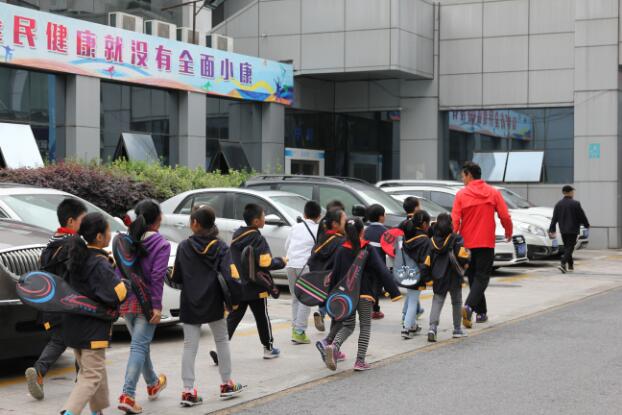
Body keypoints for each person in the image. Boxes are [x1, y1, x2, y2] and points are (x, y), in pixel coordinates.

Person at [170, 206, 245, 407]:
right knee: (221, 340)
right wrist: (235, 300)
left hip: (190, 302)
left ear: (195, 223)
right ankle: (227, 384)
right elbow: (231, 276)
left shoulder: (184, 246)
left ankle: (188, 391)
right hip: (214, 301)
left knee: (189, 345)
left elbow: (176, 277)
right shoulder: (220, 246)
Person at [60, 213, 128, 415]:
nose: (109, 234)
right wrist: (126, 284)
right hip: (92, 328)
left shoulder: (78, 258)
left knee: (93, 371)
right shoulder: (99, 263)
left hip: (74, 325)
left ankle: (97, 411)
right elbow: (117, 294)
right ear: (99, 237)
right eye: (107, 231)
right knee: (91, 375)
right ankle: (68, 412)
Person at [25, 198, 87, 401]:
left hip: (51, 302)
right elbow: (78, 273)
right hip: (70, 303)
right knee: (82, 341)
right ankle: (83, 382)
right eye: (82, 220)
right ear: (71, 221)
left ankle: (39, 372)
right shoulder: (74, 243)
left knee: (59, 340)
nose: (84, 224)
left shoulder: (51, 243)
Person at [324, 218, 402, 372]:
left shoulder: (341, 249)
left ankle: (334, 346)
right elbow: (381, 269)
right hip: (365, 294)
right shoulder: (367, 248)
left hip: (347, 296)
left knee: (348, 326)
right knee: (365, 326)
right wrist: (394, 292)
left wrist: (330, 297)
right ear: (362, 231)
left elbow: (335, 274)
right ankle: (360, 361)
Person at [118, 200, 170, 414]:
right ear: (158, 219)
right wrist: (156, 306)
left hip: (127, 301)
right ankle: (128, 395)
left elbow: (119, 270)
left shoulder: (127, 239)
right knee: (139, 347)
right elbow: (157, 277)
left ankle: (153, 384)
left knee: (140, 344)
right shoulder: (161, 244)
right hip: (146, 304)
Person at [452, 161, 512, 328]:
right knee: (482, 277)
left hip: (466, 244)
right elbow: (505, 216)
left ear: (469, 175)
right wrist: (508, 231)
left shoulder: (461, 195)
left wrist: (452, 239)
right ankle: (469, 307)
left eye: (463, 176)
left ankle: (481, 313)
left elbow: (455, 220)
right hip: (486, 242)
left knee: (473, 277)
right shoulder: (493, 192)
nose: (462, 179)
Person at [227, 203, 286, 359]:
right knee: (262, 317)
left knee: (233, 318)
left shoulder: (236, 236)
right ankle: (268, 349)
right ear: (256, 221)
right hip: (256, 286)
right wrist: (281, 261)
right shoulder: (258, 238)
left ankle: (220, 350)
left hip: (239, 285)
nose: (265, 218)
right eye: (263, 216)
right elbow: (266, 263)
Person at [310, 209, 349, 362]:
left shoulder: (322, 240)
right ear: (335, 224)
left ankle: (333, 349)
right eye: (344, 220)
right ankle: (329, 345)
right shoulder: (341, 242)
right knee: (343, 318)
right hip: (337, 285)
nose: (347, 223)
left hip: (321, 286)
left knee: (337, 317)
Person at [427, 213, 470, 342]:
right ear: (450, 224)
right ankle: (457, 329)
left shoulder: (432, 241)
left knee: (437, 300)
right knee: (456, 302)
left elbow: (428, 260)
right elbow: (462, 256)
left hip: (438, 276)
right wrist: (467, 261)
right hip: (454, 275)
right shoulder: (456, 238)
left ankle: (432, 328)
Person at [285, 200, 322, 344]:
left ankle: (295, 329)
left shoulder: (295, 227)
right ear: (319, 216)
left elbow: (287, 245)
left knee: (295, 297)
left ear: (304, 214)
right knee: (306, 299)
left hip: (290, 264)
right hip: (305, 266)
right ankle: (299, 331)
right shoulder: (318, 229)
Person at [312, 200, 346, 331]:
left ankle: (321, 312)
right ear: (335, 222)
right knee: (334, 297)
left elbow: (318, 241)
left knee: (323, 292)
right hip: (333, 269)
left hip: (321, 266)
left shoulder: (323, 226)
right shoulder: (340, 240)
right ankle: (333, 326)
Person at [401, 210, 432, 339]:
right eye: (428, 224)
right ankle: (407, 328)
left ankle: (412, 325)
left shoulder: (406, 237)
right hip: (418, 274)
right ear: (424, 224)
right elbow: (426, 261)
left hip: (406, 271)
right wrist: (428, 278)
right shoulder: (425, 240)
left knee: (411, 298)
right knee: (413, 301)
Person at [549, 185, 590, 274]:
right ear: (570, 192)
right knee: (570, 247)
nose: (573, 193)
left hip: (563, 229)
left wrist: (552, 229)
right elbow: (581, 215)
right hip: (573, 229)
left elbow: (554, 218)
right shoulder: (575, 203)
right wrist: (586, 224)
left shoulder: (558, 204)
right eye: (572, 191)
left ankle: (570, 265)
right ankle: (563, 263)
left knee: (567, 247)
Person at [398, 196, 425, 322]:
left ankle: (413, 311)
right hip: (416, 264)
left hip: (404, 261)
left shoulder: (402, 224)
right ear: (416, 208)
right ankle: (407, 317)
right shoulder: (418, 225)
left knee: (412, 291)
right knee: (413, 291)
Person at [363, 204, 389, 320]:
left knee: (367, 285)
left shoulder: (365, 231)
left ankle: (367, 308)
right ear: (381, 217)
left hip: (366, 263)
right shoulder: (385, 232)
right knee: (377, 287)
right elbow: (389, 250)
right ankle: (375, 310)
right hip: (379, 264)